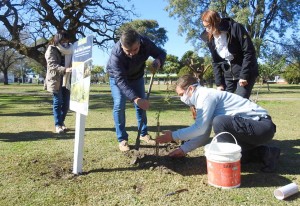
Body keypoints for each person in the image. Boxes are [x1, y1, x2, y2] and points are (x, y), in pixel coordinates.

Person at [156, 75, 280, 172]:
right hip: (256, 128)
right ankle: (267, 153)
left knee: (220, 122)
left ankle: (226, 160)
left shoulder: (205, 96)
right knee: (239, 157)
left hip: (261, 126)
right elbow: (204, 134)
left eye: (182, 94)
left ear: (191, 89)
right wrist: (183, 149)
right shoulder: (202, 98)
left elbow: (199, 128)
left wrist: (173, 136)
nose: (182, 99)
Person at [106, 28, 166, 152]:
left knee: (141, 105)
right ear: (122, 46)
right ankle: (122, 139)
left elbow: (161, 53)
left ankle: (144, 134)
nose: (132, 53)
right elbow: (121, 81)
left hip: (137, 76)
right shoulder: (116, 55)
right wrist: (135, 98)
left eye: (135, 49)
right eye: (128, 51)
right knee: (119, 104)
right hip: (118, 79)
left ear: (139, 43)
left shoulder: (146, 43)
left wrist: (159, 60)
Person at [200, 10, 259, 99]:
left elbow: (249, 52)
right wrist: (219, 83)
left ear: (216, 22)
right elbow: (216, 61)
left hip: (244, 72)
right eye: (205, 27)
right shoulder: (210, 38)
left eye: (209, 26)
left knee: (239, 102)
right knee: (223, 102)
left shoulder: (236, 28)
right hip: (228, 74)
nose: (207, 30)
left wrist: (244, 76)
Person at [45, 30, 73, 134]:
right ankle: (58, 124)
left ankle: (62, 122)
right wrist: (65, 69)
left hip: (67, 79)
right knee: (58, 102)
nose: (65, 42)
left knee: (66, 103)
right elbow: (52, 64)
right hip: (56, 80)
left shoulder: (71, 49)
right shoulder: (51, 49)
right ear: (58, 40)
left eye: (67, 40)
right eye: (63, 40)